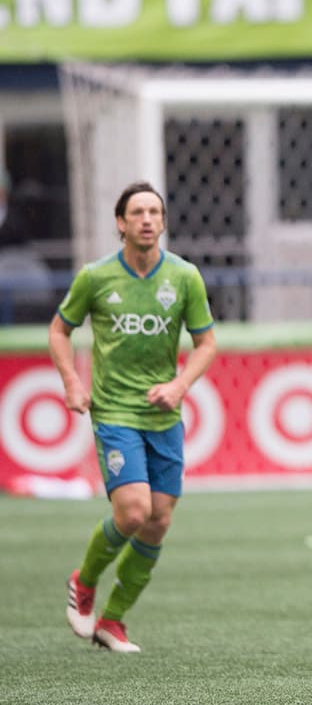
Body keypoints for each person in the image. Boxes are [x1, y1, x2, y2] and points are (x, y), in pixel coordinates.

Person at [52, 182, 217, 653]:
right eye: (137, 212)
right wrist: (72, 383)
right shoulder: (95, 277)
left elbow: (206, 344)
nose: (147, 220)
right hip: (114, 411)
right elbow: (60, 331)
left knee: (158, 520)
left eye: (154, 212)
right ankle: (84, 581)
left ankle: (112, 621)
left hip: (164, 415)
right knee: (134, 512)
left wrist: (179, 386)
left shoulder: (184, 277)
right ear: (120, 223)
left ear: (163, 222)